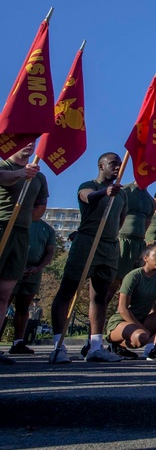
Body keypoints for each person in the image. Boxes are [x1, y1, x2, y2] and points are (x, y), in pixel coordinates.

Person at [49, 152, 126, 364]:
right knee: (68, 290)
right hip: (87, 242)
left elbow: (120, 219)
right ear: (101, 166)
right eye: (113, 164)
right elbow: (87, 196)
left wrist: (109, 237)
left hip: (109, 246)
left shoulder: (122, 194)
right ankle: (58, 345)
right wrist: (104, 193)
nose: (118, 168)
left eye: (120, 164)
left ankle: (95, 346)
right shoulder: (89, 184)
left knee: (99, 296)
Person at [0, 141, 48, 365]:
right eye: (24, 139)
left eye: (34, 140)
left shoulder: (38, 176)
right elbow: (3, 178)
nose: (30, 143)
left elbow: (39, 208)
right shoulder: (5, 165)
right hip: (1, 226)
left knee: (5, 292)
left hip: (21, 233)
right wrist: (20, 173)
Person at [106, 243, 156, 361]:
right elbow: (122, 309)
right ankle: (116, 346)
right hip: (122, 321)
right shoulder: (133, 276)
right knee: (142, 338)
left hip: (143, 319)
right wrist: (141, 328)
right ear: (146, 258)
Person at [9, 219, 56, 354]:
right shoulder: (18, 222)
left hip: (34, 270)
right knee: (3, 303)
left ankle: (18, 342)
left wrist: (38, 268)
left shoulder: (47, 229)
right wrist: (18, 266)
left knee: (23, 307)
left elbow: (49, 252)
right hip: (13, 267)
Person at [114, 182, 155, 290]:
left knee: (132, 285)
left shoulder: (151, 201)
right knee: (114, 282)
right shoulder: (125, 191)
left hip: (139, 244)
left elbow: (147, 223)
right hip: (122, 241)